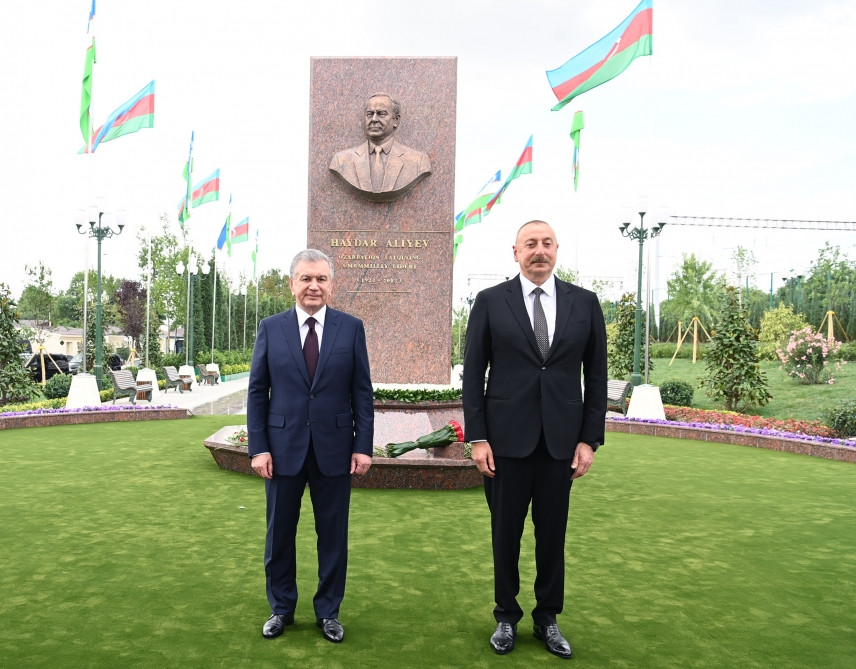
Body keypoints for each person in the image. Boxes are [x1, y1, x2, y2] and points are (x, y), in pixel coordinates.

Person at [462, 220, 607, 660]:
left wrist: (589, 440)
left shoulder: (585, 303)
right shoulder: (490, 302)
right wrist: (478, 437)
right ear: (515, 252)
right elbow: (473, 373)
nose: (538, 251)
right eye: (530, 244)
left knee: (552, 535)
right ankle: (506, 616)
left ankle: (548, 618)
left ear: (557, 249)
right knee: (505, 534)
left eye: (546, 243)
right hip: (505, 443)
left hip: (560, 443)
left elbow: (596, 376)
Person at [247, 248, 374, 644]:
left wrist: (363, 446)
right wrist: (258, 447)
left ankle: (328, 612)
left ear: (332, 286)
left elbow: (362, 393)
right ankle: (281, 608)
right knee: (279, 534)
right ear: (292, 284)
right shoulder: (271, 327)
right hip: (282, 450)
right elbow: (257, 391)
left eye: (320, 279)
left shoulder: (351, 328)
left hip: (335, 450)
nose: (313, 286)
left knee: (333, 535)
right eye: (305, 278)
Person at [329, 93, 431, 201]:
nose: (374, 119)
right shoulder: (341, 161)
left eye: (381, 114)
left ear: (396, 120)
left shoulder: (418, 162)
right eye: (369, 114)